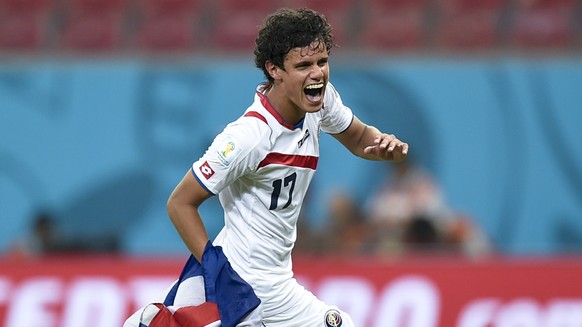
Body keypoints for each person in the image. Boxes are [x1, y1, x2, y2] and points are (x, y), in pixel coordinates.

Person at [126, 7, 408, 327]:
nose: (317, 73)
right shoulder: (248, 137)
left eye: (322, 62)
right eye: (303, 65)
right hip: (248, 281)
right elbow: (179, 202)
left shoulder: (320, 99)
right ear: (275, 69)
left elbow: (359, 138)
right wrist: (216, 268)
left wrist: (384, 146)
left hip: (273, 277)